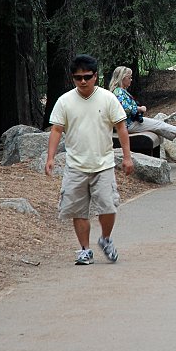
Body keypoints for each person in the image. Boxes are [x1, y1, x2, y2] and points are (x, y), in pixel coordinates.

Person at [45, 54, 134, 266]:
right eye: (78, 78)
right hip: (75, 165)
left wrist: (127, 157)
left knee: (108, 207)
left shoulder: (108, 98)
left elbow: (121, 127)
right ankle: (84, 250)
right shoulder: (65, 101)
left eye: (87, 76)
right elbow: (57, 130)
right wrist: (50, 157)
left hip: (103, 163)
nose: (83, 81)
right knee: (78, 209)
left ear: (96, 76)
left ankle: (105, 238)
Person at [107, 66, 176, 144]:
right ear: (123, 78)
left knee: (158, 124)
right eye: (129, 78)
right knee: (158, 125)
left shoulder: (119, 91)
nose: (131, 80)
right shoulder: (118, 92)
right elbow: (125, 109)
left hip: (130, 122)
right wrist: (139, 109)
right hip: (128, 124)